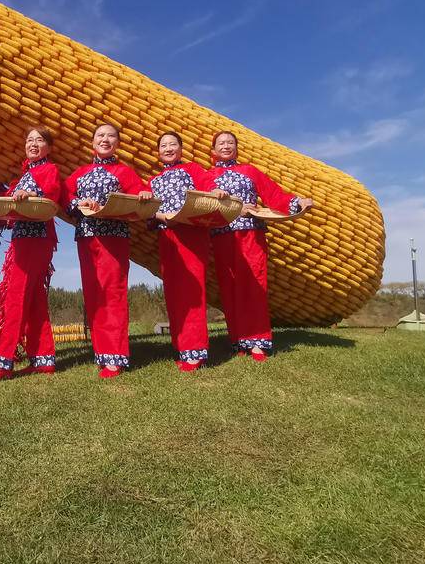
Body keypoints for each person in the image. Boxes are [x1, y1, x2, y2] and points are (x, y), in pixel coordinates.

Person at [207, 131, 314, 361]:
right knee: (230, 288)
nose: (226, 146)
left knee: (254, 285)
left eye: (230, 143)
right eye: (221, 143)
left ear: (236, 148)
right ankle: (238, 340)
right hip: (222, 236)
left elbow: (274, 195)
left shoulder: (249, 171)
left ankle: (258, 342)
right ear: (213, 150)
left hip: (250, 234)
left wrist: (298, 202)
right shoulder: (208, 177)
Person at [65, 122, 152, 378]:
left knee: (113, 294)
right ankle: (101, 352)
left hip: (114, 239)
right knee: (94, 295)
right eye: (100, 135)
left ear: (117, 143)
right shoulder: (80, 173)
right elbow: (65, 194)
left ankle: (116, 356)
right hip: (86, 238)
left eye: (110, 136)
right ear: (92, 142)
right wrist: (77, 201)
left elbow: (138, 192)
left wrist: (144, 194)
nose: (105, 139)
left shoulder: (124, 172)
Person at [0, 127, 63, 384]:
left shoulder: (49, 170)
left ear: (48, 147)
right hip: (23, 238)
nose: (33, 144)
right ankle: (43, 359)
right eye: (29, 140)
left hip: (36, 239)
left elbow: (52, 198)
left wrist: (30, 195)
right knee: (34, 298)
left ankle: (2, 360)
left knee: (16, 297)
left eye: (39, 140)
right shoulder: (26, 174)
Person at [149, 131, 229, 372]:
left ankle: (195, 351)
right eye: (164, 145)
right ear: (158, 152)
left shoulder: (193, 170)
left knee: (192, 290)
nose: (168, 148)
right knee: (173, 289)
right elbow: (148, 211)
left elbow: (208, 189)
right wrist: (160, 216)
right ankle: (181, 345)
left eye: (173, 144)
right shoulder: (153, 181)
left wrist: (216, 192)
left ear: (181, 149)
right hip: (167, 237)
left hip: (192, 236)